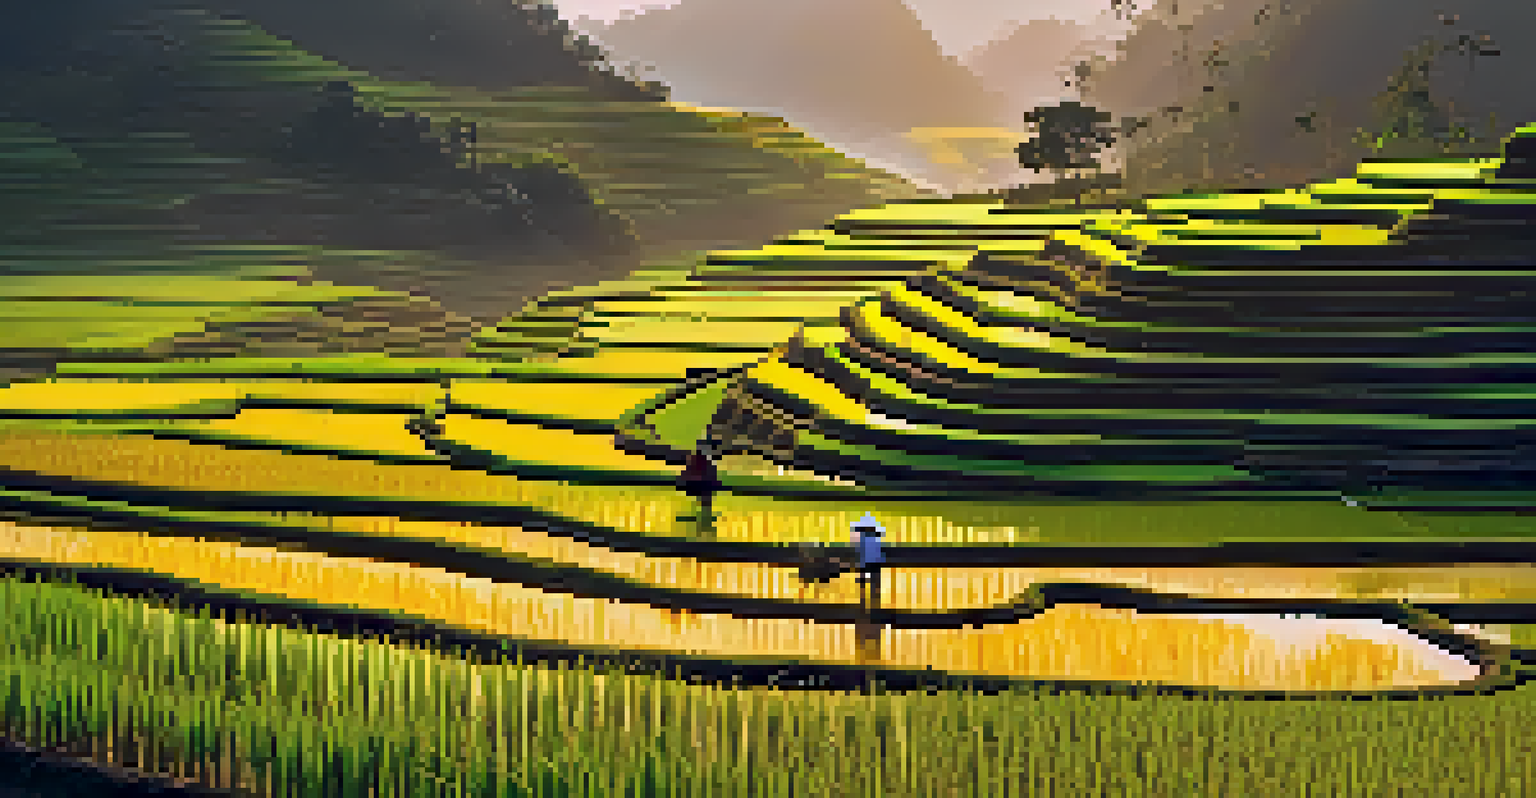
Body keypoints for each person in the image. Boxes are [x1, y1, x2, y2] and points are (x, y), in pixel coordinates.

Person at [677, 438, 722, 522]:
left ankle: (704, 513)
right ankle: (706, 513)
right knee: (707, 489)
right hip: (696, 485)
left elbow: (684, 474)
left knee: (707, 487)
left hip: (693, 484)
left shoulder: (696, 458)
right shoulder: (703, 460)